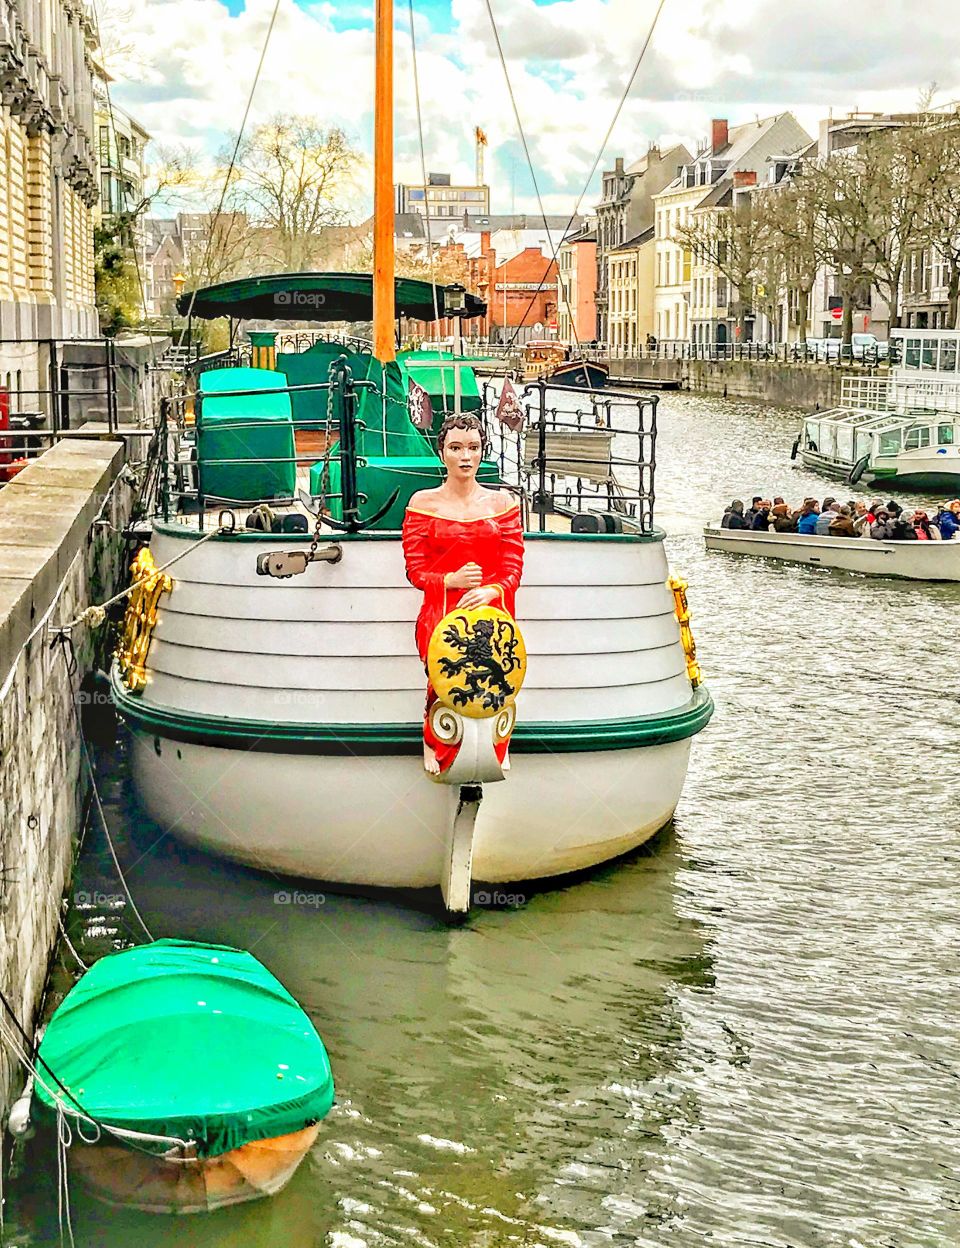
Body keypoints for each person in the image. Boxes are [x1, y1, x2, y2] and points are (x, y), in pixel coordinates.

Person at [402, 414, 524, 774]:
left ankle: (496, 741)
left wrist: (490, 591)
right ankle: (440, 741)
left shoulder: (501, 504)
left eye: (473, 447)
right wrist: (450, 580)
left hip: (490, 611)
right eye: (456, 448)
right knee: (447, 677)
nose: (465, 456)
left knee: (494, 677)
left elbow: (513, 567)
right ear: (443, 453)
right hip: (444, 611)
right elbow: (415, 570)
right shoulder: (424, 503)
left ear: (482, 451)